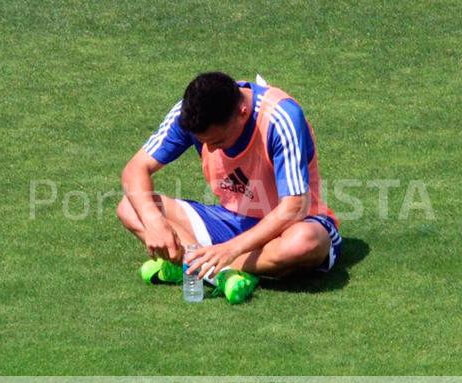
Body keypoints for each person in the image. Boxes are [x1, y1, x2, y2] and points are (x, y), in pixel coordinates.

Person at [117, 72, 341, 304]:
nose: (211, 151)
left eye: (217, 142)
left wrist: (230, 249)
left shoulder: (280, 116)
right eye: (203, 143)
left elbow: (295, 207)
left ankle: (197, 266)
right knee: (131, 207)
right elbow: (135, 170)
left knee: (305, 241)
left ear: (242, 114)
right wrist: (154, 222)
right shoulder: (190, 112)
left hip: (292, 224)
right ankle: (220, 273)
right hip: (231, 221)